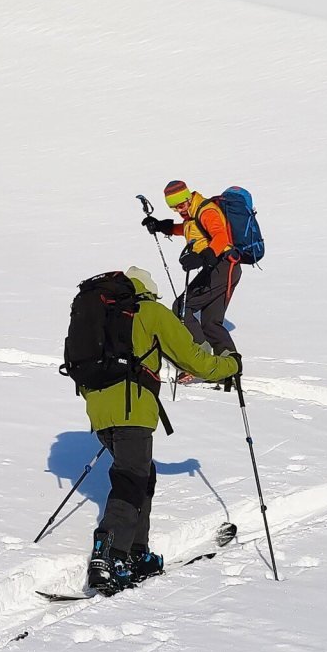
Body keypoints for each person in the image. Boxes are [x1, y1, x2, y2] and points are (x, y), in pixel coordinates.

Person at [77, 267, 242, 595]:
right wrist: (231, 364)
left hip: (99, 411)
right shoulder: (150, 311)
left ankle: (136, 553)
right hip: (132, 410)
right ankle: (109, 557)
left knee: (141, 475)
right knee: (130, 479)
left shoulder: (102, 313)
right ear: (149, 291)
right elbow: (194, 360)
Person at [142, 180, 241, 376]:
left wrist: (203, 256)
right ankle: (228, 370)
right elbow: (188, 229)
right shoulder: (192, 213)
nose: (178, 210)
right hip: (220, 267)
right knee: (211, 322)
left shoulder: (206, 211)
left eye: (180, 205)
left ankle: (198, 361)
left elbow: (220, 237)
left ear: (188, 198)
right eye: (173, 208)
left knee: (182, 307)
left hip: (224, 266)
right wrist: (163, 227)